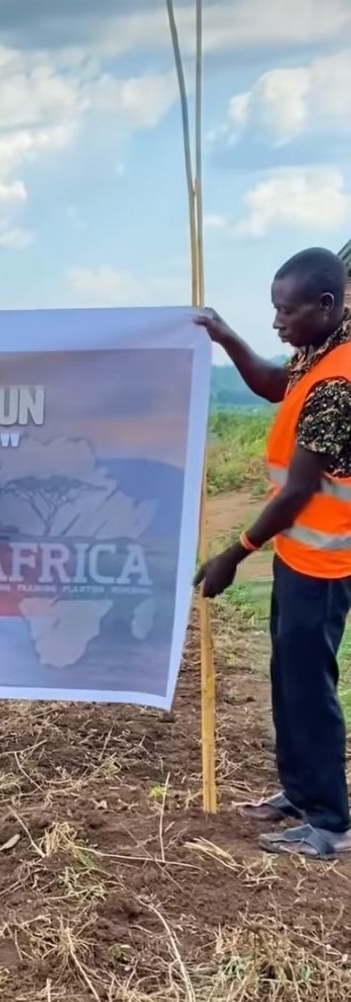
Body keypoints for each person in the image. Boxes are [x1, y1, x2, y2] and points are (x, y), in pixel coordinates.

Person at [195, 247, 351, 860]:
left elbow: (299, 491)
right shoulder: (319, 352)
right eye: (272, 310)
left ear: (326, 306)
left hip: (326, 561)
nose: (277, 321)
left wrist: (235, 552)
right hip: (301, 555)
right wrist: (224, 335)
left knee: (310, 687)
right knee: (288, 679)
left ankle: (331, 823)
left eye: (286, 311)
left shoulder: (339, 383)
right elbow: (270, 383)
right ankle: (300, 793)